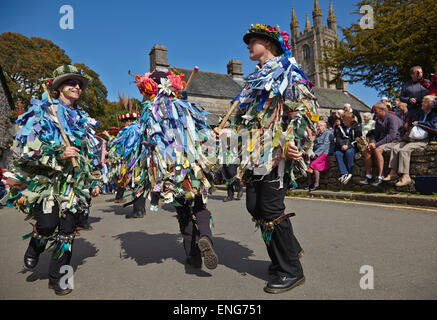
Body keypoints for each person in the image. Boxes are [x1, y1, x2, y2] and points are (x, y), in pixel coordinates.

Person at [215, 23, 318, 294]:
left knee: (270, 210)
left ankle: (291, 270)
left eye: (254, 41)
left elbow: (304, 109)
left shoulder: (287, 72)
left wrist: (296, 141)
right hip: (253, 153)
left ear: (269, 44)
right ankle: (289, 251)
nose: (249, 45)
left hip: (276, 151)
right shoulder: (253, 80)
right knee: (254, 207)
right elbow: (244, 119)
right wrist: (226, 131)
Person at [6, 65, 101, 295]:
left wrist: (95, 179)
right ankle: (35, 246)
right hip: (47, 182)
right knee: (48, 225)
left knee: (67, 231)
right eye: (71, 82)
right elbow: (28, 151)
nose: (77, 87)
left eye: (79, 84)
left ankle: (57, 278)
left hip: (74, 186)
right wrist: (59, 154)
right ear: (58, 87)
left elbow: (90, 155)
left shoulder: (84, 120)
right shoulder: (43, 113)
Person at [130, 69, 219, 269]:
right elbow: (202, 132)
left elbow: (142, 142)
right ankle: (205, 236)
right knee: (199, 206)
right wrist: (211, 136)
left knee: (183, 212)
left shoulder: (149, 111)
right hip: (191, 164)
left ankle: (193, 256)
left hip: (167, 169)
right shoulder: (184, 106)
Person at [384, 95, 437, 186]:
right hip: (412, 137)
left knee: (404, 150)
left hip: (424, 139)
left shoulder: (433, 114)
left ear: (430, 104)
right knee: (395, 148)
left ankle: (406, 176)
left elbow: (434, 128)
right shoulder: (420, 113)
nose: (422, 103)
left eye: (424, 102)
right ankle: (393, 172)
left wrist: (419, 123)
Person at [359, 102, 404, 186]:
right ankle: (368, 176)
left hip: (395, 141)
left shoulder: (392, 119)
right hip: (383, 141)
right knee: (367, 151)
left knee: (377, 150)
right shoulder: (378, 120)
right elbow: (375, 135)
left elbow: (392, 136)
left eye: (376, 111)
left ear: (383, 110)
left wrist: (376, 144)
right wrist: (372, 142)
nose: (374, 113)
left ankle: (381, 177)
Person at [334, 112, 362, 185]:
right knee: (337, 153)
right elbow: (338, 138)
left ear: (350, 120)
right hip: (342, 146)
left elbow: (357, 139)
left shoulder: (357, 127)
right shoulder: (340, 127)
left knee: (349, 152)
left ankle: (350, 172)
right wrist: (342, 145)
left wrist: (348, 146)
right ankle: (344, 173)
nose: (343, 121)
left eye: (345, 120)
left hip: (352, 146)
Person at [307, 120, 333, 191]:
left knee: (315, 165)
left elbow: (325, 145)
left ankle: (316, 184)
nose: (318, 127)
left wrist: (316, 154)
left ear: (324, 126)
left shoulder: (328, 133)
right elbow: (314, 144)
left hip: (325, 152)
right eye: (317, 126)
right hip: (317, 152)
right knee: (308, 166)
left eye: (319, 126)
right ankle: (310, 184)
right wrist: (311, 152)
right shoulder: (318, 134)